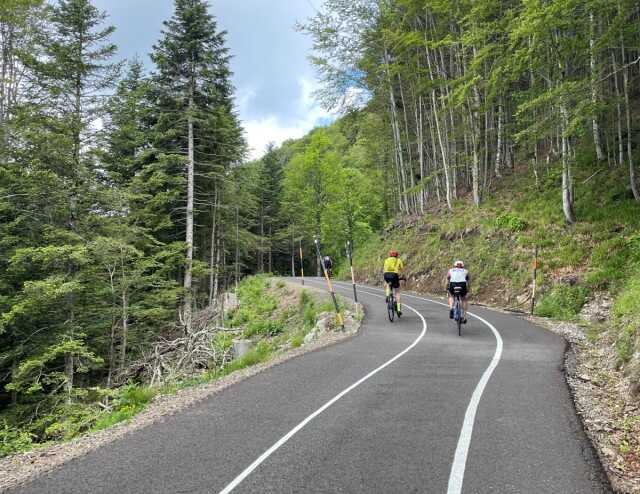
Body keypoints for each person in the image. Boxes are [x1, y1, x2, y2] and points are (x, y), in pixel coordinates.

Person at [383, 249, 404, 315]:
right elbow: (401, 269)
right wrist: (402, 276)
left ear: (389, 255)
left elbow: (384, 269)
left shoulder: (386, 260)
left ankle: (387, 295)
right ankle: (398, 310)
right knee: (397, 292)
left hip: (386, 275)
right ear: (396, 255)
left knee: (387, 284)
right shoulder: (398, 260)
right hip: (394, 275)